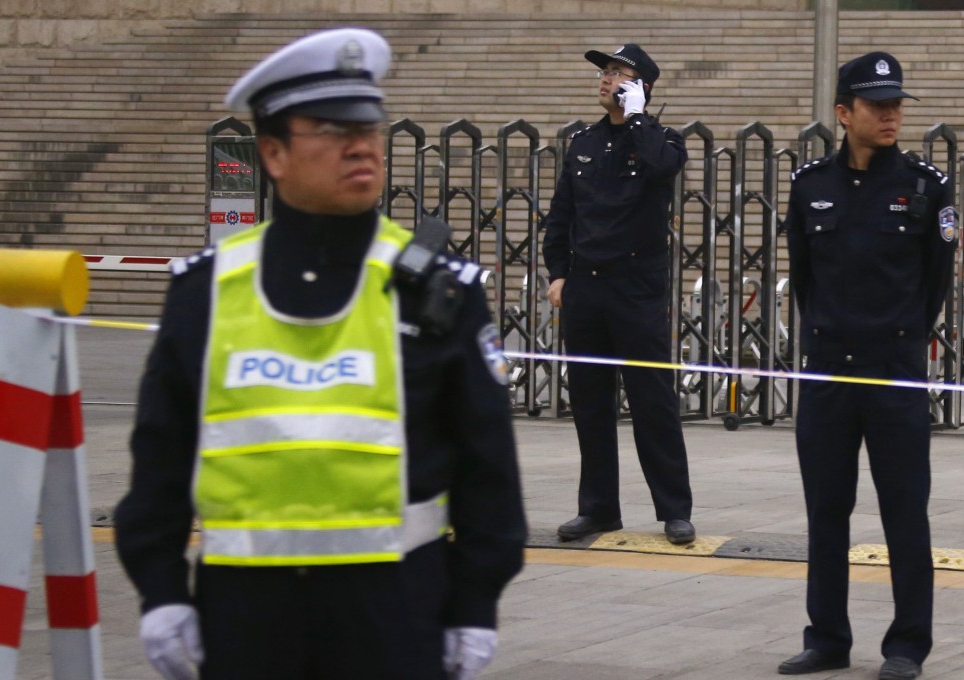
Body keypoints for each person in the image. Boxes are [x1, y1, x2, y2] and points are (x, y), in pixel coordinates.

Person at [114, 28, 526, 680]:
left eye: (368, 126)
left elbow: (488, 469)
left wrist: (476, 603)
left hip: (394, 613)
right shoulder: (207, 292)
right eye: (332, 129)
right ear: (272, 153)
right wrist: (162, 591)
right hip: (244, 617)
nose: (361, 144)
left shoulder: (436, 291)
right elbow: (160, 460)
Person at [779, 52, 957, 680]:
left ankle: (907, 644)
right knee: (826, 511)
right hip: (828, 373)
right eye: (877, 104)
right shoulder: (809, 186)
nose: (890, 114)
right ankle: (826, 638)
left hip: (893, 373)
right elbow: (804, 278)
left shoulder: (926, 185)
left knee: (904, 511)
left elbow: (935, 281)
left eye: (896, 104)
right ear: (843, 113)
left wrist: (900, 340)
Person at [541, 43, 695, 545]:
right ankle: (598, 508)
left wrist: (637, 118)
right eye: (604, 72)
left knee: (652, 402)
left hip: (637, 290)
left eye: (617, 72)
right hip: (586, 287)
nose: (605, 78)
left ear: (640, 86)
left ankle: (674, 509)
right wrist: (558, 271)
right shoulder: (583, 141)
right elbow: (562, 212)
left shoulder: (661, 140)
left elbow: (660, 169)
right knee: (590, 403)